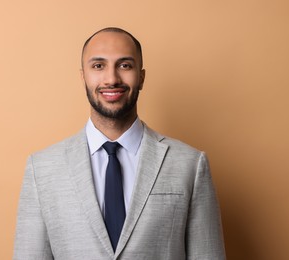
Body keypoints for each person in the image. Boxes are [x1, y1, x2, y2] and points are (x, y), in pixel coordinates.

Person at [13, 27, 226, 260]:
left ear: (141, 77)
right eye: (98, 66)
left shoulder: (190, 164)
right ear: (83, 76)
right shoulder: (41, 168)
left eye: (125, 65)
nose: (112, 79)